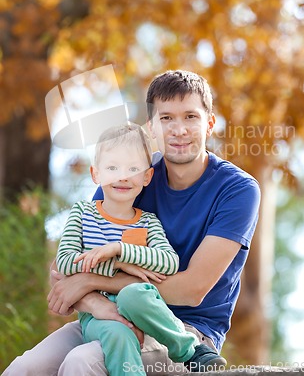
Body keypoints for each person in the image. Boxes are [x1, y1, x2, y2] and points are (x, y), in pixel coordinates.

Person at [4, 69, 261, 376]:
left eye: (190, 117)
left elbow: (191, 290)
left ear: (209, 123)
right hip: (106, 313)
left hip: (184, 332)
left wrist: (93, 281)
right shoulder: (130, 173)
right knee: (23, 369)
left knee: (82, 362)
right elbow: (65, 273)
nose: (179, 129)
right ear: (151, 127)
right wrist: (97, 304)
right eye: (166, 118)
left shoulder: (237, 190)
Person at [54, 123, 227, 375]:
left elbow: (169, 262)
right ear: (96, 174)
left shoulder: (148, 221)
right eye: (112, 167)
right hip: (97, 316)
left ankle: (189, 351)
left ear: (146, 176)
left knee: (133, 294)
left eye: (133, 168)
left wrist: (120, 250)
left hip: (144, 315)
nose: (122, 176)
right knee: (117, 334)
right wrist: (116, 264)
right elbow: (65, 263)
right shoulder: (82, 213)